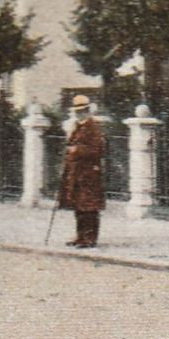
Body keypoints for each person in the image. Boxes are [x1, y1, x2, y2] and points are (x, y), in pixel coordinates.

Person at [57, 95, 105, 248]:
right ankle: (80, 236)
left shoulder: (93, 128)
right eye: (77, 111)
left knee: (89, 207)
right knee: (78, 205)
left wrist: (76, 150)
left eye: (82, 111)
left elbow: (98, 150)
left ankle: (90, 238)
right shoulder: (77, 127)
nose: (79, 114)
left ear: (88, 111)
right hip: (76, 173)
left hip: (89, 173)